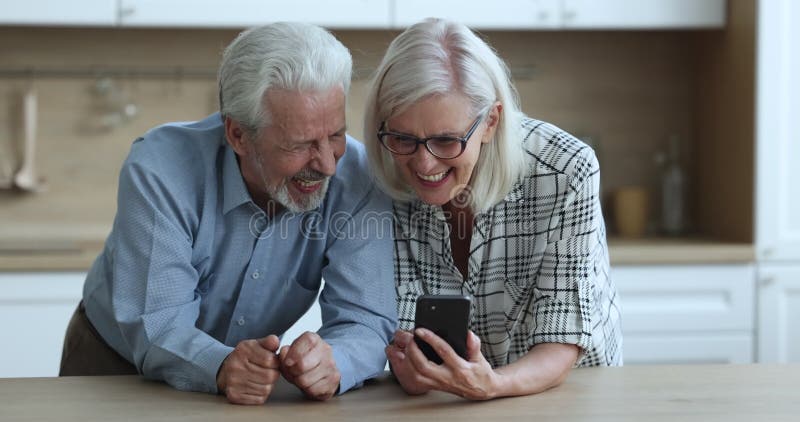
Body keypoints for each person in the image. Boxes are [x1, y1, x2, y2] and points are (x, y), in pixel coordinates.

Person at [59, 22, 397, 405]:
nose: (326, 165)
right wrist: (219, 366)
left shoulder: (359, 177)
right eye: (300, 145)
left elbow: (366, 320)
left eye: (335, 135)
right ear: (237, 135)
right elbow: (158, 321)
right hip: (117, 363)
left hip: (247, 382)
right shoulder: (160, 170)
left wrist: (334, 360)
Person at [363, 18, 622, 400]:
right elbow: (402, 334)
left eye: (446, 141)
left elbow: (562, 340)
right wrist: (411, 369)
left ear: (490, 122)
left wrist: (492, 385)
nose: (423, 164)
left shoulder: (566, 170)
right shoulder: (378, 179)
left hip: (566, 395)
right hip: (447, 400)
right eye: (403, 138)